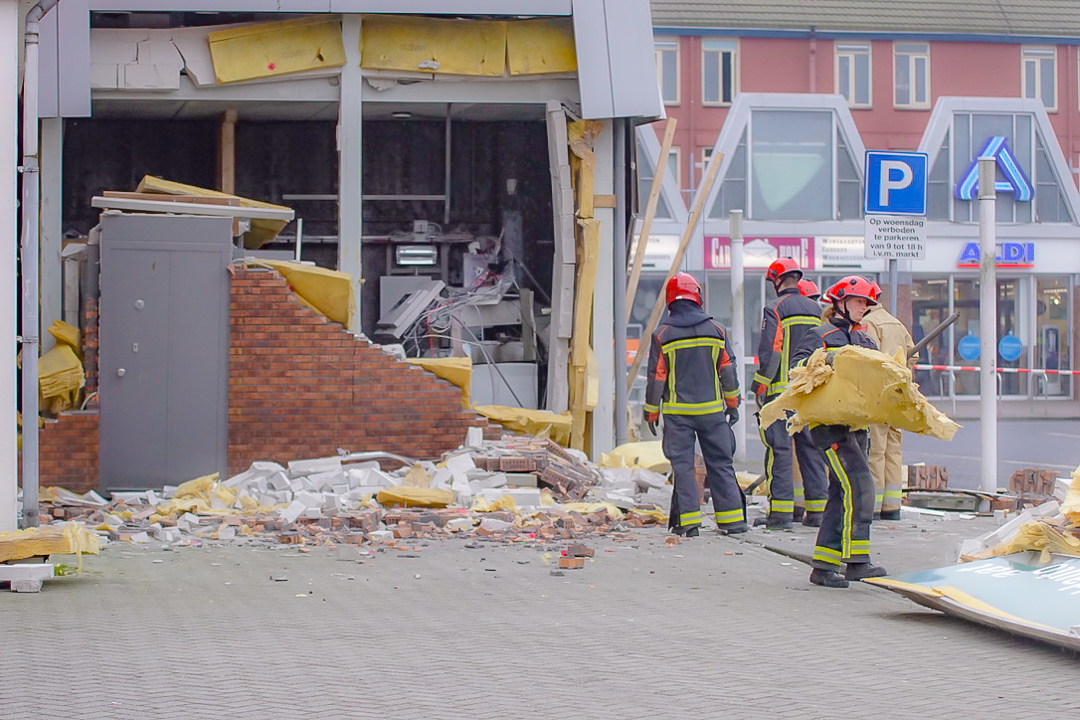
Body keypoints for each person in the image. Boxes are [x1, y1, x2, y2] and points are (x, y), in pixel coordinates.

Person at [790, 276, 887, 588]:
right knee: (860, 487)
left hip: (857, 427)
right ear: (840, 301)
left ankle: (823, 566)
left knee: (839, 493)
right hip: (829, 428)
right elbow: (798, 369)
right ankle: (857, 562)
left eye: (867, 304)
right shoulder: (819, 335)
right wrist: (833, 357)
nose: (863, 308)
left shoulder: (866, 341)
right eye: (859, 301)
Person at [644, 273, 746, 537]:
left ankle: (689, 524)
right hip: (712, 413)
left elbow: (657, 377)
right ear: (697, 296)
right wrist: (733, 404)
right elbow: (728, 371)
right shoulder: (717, 331)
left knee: (684, 467)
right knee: (721, 464)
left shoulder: (662, 334)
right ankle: (733, 521)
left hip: (679, 415)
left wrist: (651, 412)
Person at [751, 259, 828, 529]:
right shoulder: (815, 309)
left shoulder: (775, 308)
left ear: (776, 280)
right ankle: (817, 512)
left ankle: (781, 515)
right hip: (807, 393)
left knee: (780, 450)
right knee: (811, 450)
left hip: (780, 394)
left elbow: (771, 350)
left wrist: (759, 386)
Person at [861, 289, 915, 521]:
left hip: (877, 395)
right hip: (897, 394)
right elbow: (913, 355)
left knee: (875, 450)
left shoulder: (868, 324)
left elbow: (866, 359)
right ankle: (892, 506)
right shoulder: (895, 323)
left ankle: (872, 506)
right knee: (893, 449)